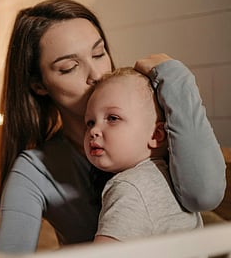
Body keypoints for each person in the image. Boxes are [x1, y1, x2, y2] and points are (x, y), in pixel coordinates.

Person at [0, 0, 226, 254]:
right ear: (39, 85)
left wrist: (176, 77)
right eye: (69, 67)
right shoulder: (34, 171)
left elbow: (205, 195)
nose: (96, 74)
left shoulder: (148, 122)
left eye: (99, 53)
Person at [83, 67, 203, 243]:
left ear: (156, 135)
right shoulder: (174, 176)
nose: (93, 130)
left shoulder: (128, 187)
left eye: (113, 118)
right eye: (90, 122)